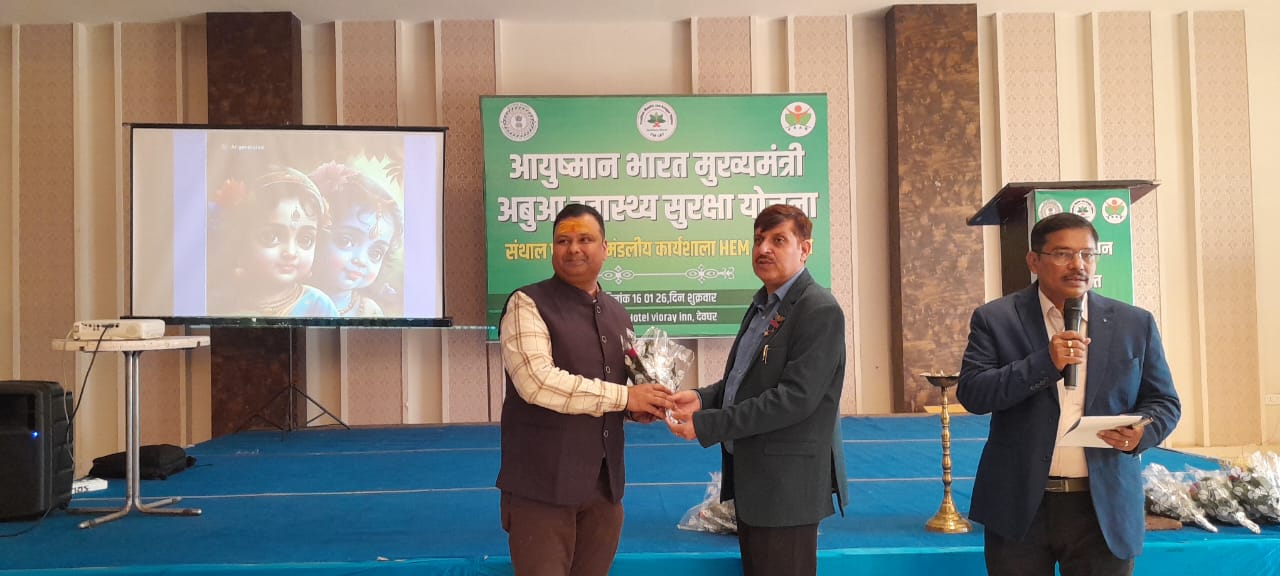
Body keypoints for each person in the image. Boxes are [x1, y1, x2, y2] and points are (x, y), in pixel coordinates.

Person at [956, 212, 1180, 576]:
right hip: (1020, 505)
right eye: (1062, 254)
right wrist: (1044, 363)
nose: (1078, 265)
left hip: (1103, 507)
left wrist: (1142, 434)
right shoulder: (996, 319)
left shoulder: (1134, 323)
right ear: (1033, 261)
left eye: (1087, 254)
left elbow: (1164, 402)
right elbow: (974, 393)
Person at [666, 203, 848, 576]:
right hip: (757, 487)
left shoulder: (818, 309)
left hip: (787, 490)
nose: (763, 249)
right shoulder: (763, 305)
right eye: (758, 239)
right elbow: (744, 381)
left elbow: (793, 399)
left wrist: (707, 424)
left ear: (804, 249)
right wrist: (702, 398)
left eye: (778, 240)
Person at [495, 203, 674, 576]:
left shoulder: (618, 314)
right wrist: (626, 398)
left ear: (605, 248)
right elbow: (537, 382)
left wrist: (639, 407)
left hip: (604, 491)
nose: (573, 248)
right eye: (563, 241)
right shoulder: (526, 304)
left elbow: (621, 388)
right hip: (541, 490)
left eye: (585, 239)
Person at [207, 167, 338, 317]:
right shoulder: (225, 300)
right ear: (241, 242)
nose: (291, 252)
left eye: (305, 240)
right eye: (271, 237)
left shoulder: (318, 304)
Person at [308, 161, 404, 317]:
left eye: (376, 253)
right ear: (315, 236)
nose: (361, 260)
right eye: (346, 241)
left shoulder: (369, 311)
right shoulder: (294, 302)